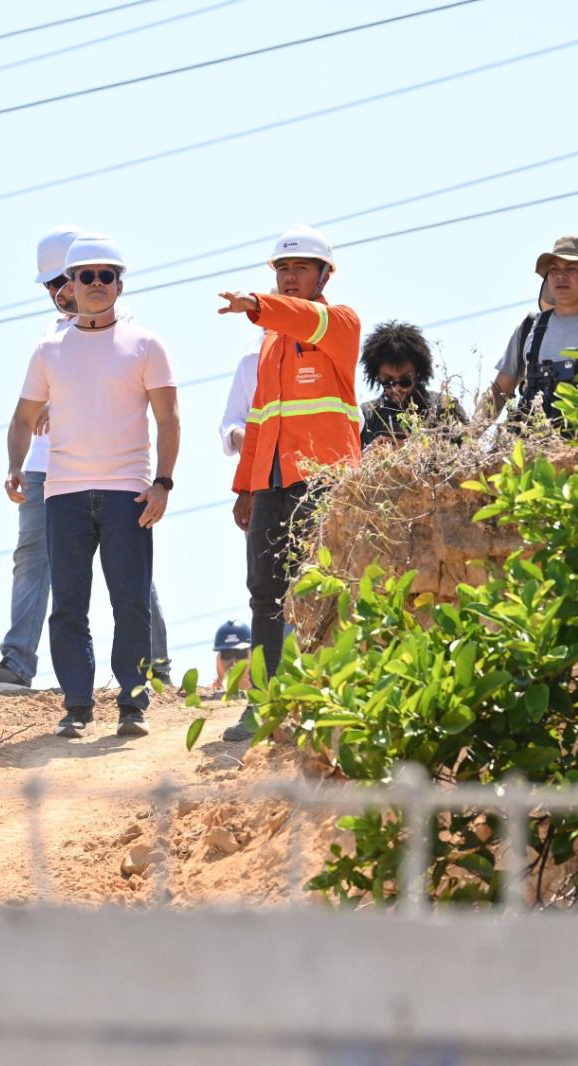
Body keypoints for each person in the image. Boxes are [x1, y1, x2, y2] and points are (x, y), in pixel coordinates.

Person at [0, 228, 173, 694]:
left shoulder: (122, 320)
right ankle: (16, 665)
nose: (61, 293)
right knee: (32, 559)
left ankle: (154, 667)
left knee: (127, 574)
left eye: (65, 280)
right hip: (48, 470)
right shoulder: (51, 339)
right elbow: (24, 413)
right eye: (52, 285)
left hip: (110, 471)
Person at [8, 234, 179, 738]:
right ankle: (77, 706)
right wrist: (16, 467)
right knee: (68, 604)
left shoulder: (146, 344)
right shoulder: (48, 350)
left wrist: (163, 483)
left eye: (107, 276)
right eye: (87, 276)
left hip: (128, 491)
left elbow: (169, 419)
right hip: (64, 493)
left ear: (120, 285)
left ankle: (133, 703)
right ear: (71, 286)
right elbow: (22, 418)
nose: (98, 284)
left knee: (130, 601)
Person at [220, 225, 361, 741]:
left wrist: (255, 303)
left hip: (324, 480)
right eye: (283, 269)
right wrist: (246, 488)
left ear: (325, 275)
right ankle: (263, 704)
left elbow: (303, 317)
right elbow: (260, 421)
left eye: (301, 267)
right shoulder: (270, 348)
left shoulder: (338, 323)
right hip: (272, 485)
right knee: (264, 594)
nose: (290, 277)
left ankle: (325, 701)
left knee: (321, 591)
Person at [481, 235, 578, 425]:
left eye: (571, 268)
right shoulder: (529, 328)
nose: (561, 276)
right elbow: (498, 391)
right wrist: (468, 441)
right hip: (529, 449)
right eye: (554, 269)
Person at [359, 321, 468, 448]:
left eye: (405, 381)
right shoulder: (366, 416)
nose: (396, 388)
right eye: (388, 382)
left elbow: (469, 453)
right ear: (377, 377)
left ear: (418, 374)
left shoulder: (445, 407)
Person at [208, 620, 252, 698]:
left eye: (240, 654)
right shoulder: (208, 694)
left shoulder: (269, 693)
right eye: (227, 654)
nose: (234, 662)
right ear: (219, 658)